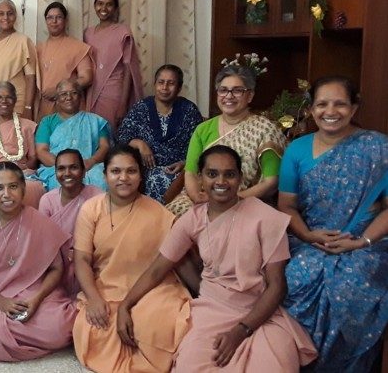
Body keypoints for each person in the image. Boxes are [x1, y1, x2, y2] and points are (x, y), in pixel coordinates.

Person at [118, 145, 317, 371]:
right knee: (190, 367)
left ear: (240, 178)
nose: (221, 181)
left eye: (229, 174)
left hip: (261, 314)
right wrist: (125, 305)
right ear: (201, 178)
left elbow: (277, 286)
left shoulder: (265, 217)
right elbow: (157, 269)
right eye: (212, 174)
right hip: (211, 311)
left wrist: (241, 331)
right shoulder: (193, 219)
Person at [278, 76, 388, 371]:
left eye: (340, 104)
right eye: (322, 104)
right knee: (295, 278)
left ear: (354, 108)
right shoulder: (297, 150)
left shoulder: (378, 147)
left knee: (354, 283)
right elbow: (286, 207)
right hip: (310, 240)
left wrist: (361, 241)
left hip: (366, 245)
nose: (331, 111)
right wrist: (311, 236)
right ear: (311, 109)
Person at [72, 145, 191, 372]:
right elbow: (82, 260)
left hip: (153, 289)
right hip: (107, 289)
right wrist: (94, 299)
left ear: (140, 175)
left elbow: (177, 261)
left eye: (131, 171)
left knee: (162, 321)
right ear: (105, 175)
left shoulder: (159, 213)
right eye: (116, 171)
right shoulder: (91, 210)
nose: (123, 178)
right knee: (92, 332)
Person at [0, 162, 76, 363]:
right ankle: (27, 338)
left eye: (13, 186)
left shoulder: (37, 220)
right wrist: (1, 302)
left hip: (34, 291)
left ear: (23, 188)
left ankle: (20, 338)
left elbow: (56, 268)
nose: (6, 194)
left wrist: (37, 299)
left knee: (63, 326)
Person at [166, 65, 286, 217]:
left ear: (249, 95)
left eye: (237, 90)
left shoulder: (265, 130)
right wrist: (197, 196)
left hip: (245, 202)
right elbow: (190, 172)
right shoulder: (203, 129)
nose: (229, 96)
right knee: (173, 216)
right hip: (201, 199)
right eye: (223, 90)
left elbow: (271, 182)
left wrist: (233, 199)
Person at [116, 64, 204, 203]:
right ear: (154, 84)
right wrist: (139, 144)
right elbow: (122, 137)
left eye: (171, 83)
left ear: (179, 88)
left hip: (180, 173)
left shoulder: (189, 111)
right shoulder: (141, 108)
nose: (164, 88)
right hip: (145, 169)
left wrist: (184, 163)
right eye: (161, 82)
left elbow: (201, 146)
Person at [38, 149, 102, 297]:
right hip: (57, 264)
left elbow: (103, 238)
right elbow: (44, 243)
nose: (67, 173)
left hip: (90, 261)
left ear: (84, 171)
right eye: (61, 168)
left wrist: (80, 254)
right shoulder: (47, 201)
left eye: (73, 167)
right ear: (55, 173)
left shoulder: (97, 196)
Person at [0, 81, 44, 208]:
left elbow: (33, 158)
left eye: (8, 97)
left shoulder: (27, 126)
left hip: (21, 173)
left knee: (34, 188)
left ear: (15, 100)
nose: (4, 101)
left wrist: (18, 172)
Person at [84, 0, 142, 130]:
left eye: (109, 4)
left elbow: (129, 69)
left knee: (109, 135)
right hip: (90, 92)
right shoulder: (87, 33)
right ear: (94, 5)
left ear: (115, 8)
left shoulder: (123, 32)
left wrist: (123, 104)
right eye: (100, 3)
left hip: (113, 93)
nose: (104, 8)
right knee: (91, 135)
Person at [36, 78, 110, 190]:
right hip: (56, 167)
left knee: (102, 180)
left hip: (90, 166)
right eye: (63, 94)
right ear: (57, 100)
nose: (69, 97)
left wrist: (91, 161)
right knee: (57, 183)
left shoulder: (96, 121)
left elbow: (105, 146)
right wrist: (64, 167)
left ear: (80, 97)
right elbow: (41, 151)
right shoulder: (47, 122)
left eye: (74, 93)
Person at [36, 1, 93, 121]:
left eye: (58, 17)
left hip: (69, 106)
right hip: (42, 108)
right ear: (46, 21)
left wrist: (60, 91)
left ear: (65, 20)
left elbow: (86, 77)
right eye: (50, 18)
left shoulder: (77, 47)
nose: (54, 21)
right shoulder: (37, 49)